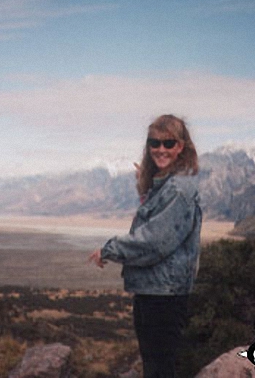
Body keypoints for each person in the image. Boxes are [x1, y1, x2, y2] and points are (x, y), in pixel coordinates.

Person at [89, 114, 201, 378]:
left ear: (181, 147)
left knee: (160, 368)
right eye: (154, 143)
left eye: (168, 143)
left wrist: (109, 249)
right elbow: (158, 222)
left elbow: (154, 242)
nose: (160, 149)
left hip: (164, 295)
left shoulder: (177, 190)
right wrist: (146, 189)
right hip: (155, 290)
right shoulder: (167, 186)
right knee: (155, 365)